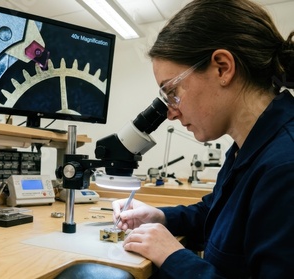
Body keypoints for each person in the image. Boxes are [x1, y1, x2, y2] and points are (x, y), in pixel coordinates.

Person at [112, 0, 294, 278]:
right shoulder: (247, 148)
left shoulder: (285, 166)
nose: (170, 113)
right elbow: (217, 212)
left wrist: (173, 256)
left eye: (172, 91)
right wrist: (159, 216)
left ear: (222, 68)